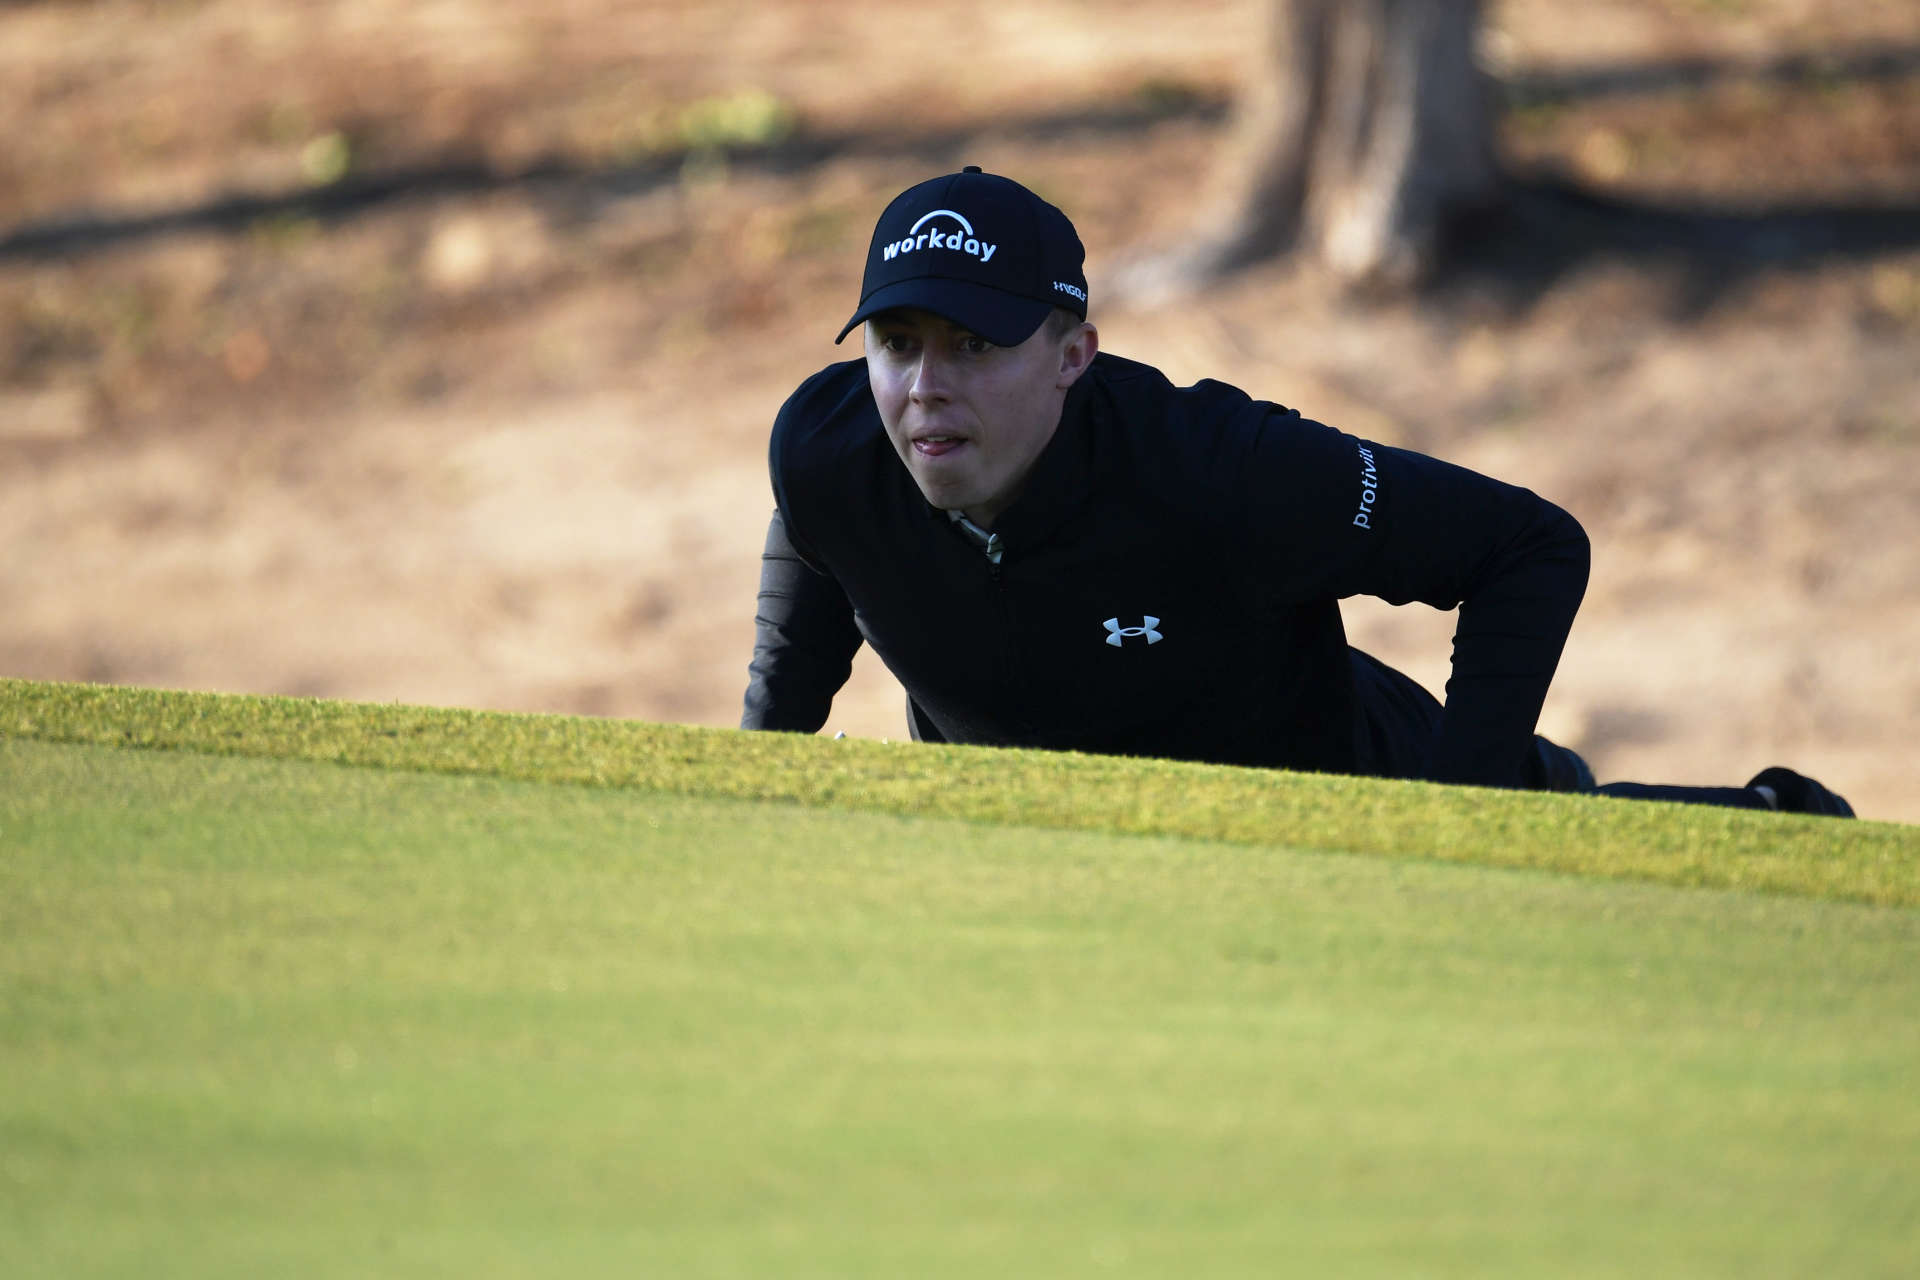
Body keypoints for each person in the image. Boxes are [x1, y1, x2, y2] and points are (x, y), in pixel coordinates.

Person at [741, 166, 1854, 817]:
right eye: (897, 342)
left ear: (1073, 353)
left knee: (1577, 837)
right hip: (1053, 856)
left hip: (1350, 792)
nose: (925, 389)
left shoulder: (1218, 466)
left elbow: (1529, 543)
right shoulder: (830, 447)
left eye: (974, 346)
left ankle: (1771, 818)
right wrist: (757, 774)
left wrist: (1453, 829)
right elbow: (815, 550)